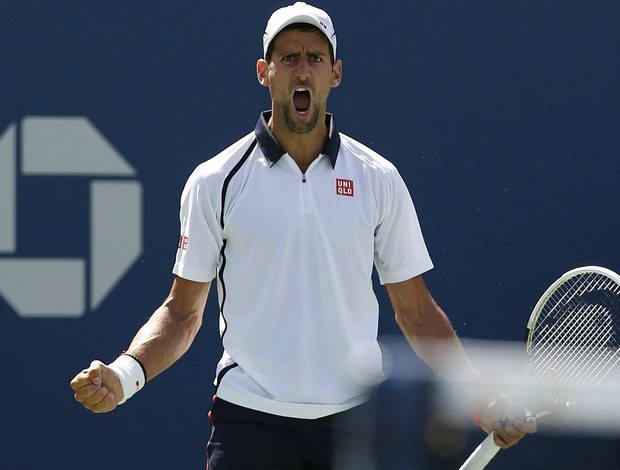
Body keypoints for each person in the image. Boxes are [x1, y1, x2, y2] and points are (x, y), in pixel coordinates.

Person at [70, 2, 536, 468]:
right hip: (249, 421)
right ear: (264, 72)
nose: (302, 69)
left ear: (335, 73)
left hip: (352, 422)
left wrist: (479, 396)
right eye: (288, 57)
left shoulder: (379, 178)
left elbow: (416, 313)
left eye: (315, 58)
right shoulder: (215, 181)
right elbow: (182, 313)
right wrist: (125, 373)